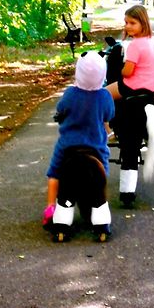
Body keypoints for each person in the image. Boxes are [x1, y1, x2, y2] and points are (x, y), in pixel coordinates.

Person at [44, 52, 114, 239]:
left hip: (68, 147)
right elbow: (109, 115)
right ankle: (101, 224)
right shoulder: (105, 96)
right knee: (101, 171)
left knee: (55, 173)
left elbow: (61, 109)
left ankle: (55, 216)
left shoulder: (70, 93)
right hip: (95, 148)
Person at [105, 4, 154, 103]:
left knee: (101, 96)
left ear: (143, 23)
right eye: (126, 22)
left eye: (132, 23)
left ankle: (108, 115)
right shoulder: (152, 39)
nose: (128, 26)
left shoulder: (135, 45)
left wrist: (121, 70)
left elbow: (127, 73)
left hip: (134, 87)